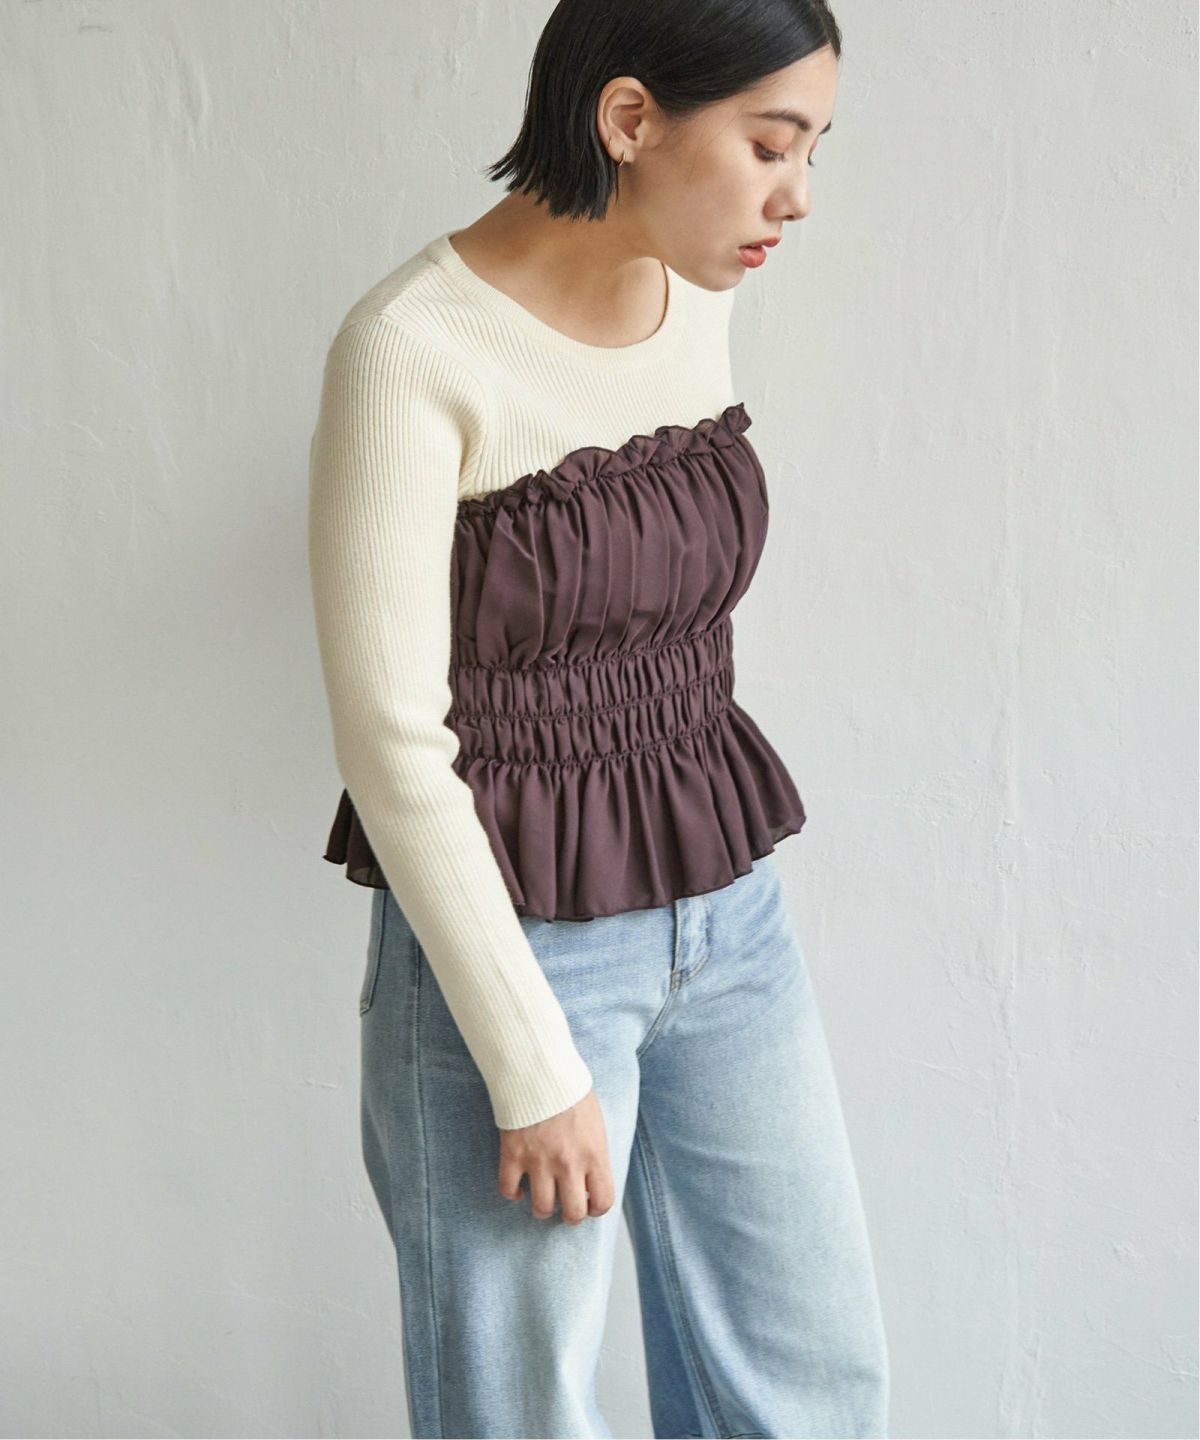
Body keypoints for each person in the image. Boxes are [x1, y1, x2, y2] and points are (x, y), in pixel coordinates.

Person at [306, 1, 888, 1434]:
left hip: (729, 918)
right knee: (524, 1413)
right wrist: (526, 1060)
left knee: (812, 1387)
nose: (797, 197)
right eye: (770, 146)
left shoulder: (701, 292)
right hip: (514, 949)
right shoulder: (411, 345)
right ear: (629, 120)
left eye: (813, 150)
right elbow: (393, 746)